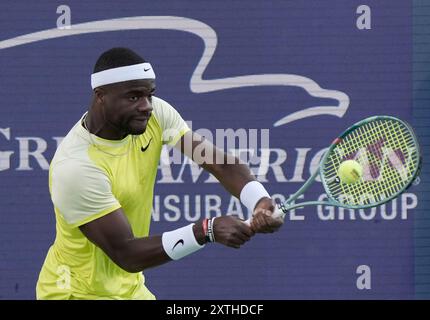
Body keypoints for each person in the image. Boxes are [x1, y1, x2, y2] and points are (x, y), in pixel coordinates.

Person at [36, 47, 283, 300]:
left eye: (149, 95)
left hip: (130, 289)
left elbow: (220, 164)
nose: (146, 106)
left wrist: (260, 201)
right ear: (101, 96)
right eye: (133, 97)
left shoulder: (155, 115)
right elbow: (127, 253)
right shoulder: (76, 168)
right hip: (74, 292)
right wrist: (206, 230)